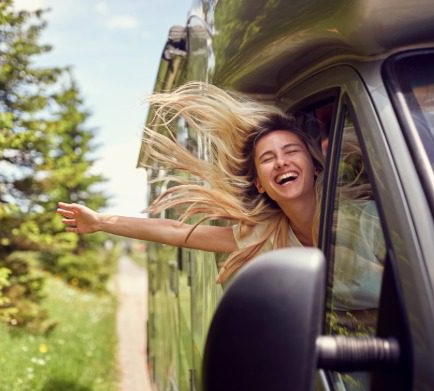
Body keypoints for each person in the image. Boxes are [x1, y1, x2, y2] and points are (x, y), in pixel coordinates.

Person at [57, 82, 324, 284]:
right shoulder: (266, 234)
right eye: (268, 158)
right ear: (260, 184)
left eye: (291, 151)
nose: (280, 162)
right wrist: (100, 222)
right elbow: (175, 230)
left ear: (314, 166)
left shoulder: (361, 220)